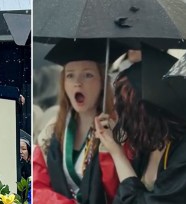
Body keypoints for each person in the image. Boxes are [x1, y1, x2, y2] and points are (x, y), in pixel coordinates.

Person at [33, 39, 127, 204]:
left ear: (102, 82)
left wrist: (109, 149)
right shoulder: (50, 132)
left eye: (88, 75)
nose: (77, 83)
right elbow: (37, 188)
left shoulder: (119, 131)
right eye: (70, 75)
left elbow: (120, 192)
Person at [95, 44, 186, 203]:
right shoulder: (149, 145)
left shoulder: (182, 154)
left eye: (125, 110)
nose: (121, 116)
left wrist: (117, 154)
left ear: (143, 115)